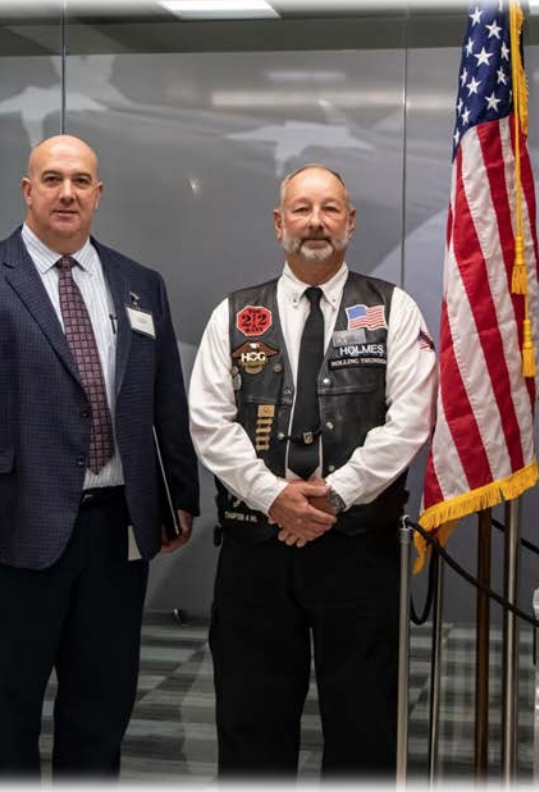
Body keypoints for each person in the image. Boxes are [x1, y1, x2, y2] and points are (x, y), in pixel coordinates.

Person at [0, 134, 199, 780]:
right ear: (27, 190)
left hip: (115, 534)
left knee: (101, 709)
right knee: (8, 710)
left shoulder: (138, 284)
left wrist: (179, 494)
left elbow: (164, 401)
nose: (66, 192)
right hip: (10, 533)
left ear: (100, 194)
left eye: (80, 180)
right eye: (51, 179)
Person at [189, 164, 437, 779]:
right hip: (256, 551)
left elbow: (409, 422)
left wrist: (334, 498)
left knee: (363, 724)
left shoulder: (392, 310)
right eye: (301, 209)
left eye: (330, 209)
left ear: (350, 223)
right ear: (280, 225)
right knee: (250, 721)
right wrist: (274, 497)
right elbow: (209, 423)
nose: (315, 222)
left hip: (358, 550)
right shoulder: (233, 313)